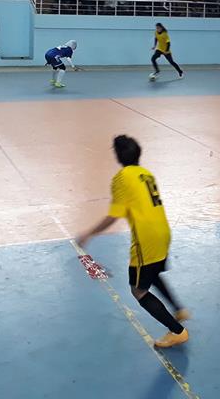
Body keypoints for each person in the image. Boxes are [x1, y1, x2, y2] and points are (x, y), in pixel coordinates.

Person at [76, 135, 190, 349]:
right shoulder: (146, 174)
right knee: (152, 274)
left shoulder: (121, 178)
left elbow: (113, 216)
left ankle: (178, 331)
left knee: (138, 290)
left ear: (117, 155)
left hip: (145, 239)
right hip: (164, 232)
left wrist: (89, 233)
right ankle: (179, 310)